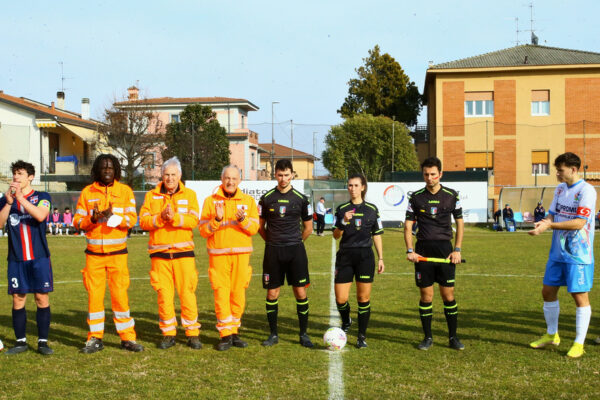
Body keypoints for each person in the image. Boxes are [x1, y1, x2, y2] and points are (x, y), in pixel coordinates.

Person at [528, 152, 596, 358]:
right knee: (548, 292)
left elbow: (579, 223)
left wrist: (550, 224)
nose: (557, 173)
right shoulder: (559, 189)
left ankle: (578, 343)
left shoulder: (587, 190)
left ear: (573, 169)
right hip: (557, 252)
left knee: (579, 296)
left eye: (560, 170)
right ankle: (552, 335)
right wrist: (543, 223)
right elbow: (552, 213)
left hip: (578, 255)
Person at [73, 154, 143, 353]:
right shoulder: (87, 192)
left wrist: (114, 217)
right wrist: (92, 219)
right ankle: (95, 338)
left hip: (118, 255)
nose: (107, 171)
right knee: (94, 298)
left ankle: (128, 338)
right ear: (96, 169)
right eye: (103, 167)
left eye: (110, 168)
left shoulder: (125, 191)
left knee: (120, 297)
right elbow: (77, 222)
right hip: (94, 255)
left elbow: (132, 220)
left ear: (116, 170)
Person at [140, 157, 202, 350]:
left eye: (173, 174)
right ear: (161, 175)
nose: (170, 178)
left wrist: (174, 218)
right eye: (166, 174)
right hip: (160, 256)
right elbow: (142, 221)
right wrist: (160, 218)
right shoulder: (151, 196)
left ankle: (192, 334)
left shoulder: (190, 195)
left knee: (187, 294)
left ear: (180, 175)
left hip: (184, 255)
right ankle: (168, 334)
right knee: (164, 296)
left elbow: (193, 221)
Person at [404, 157, 465, 351]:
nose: (429, 178)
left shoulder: (451, 195)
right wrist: (410, 250)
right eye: (426, 174)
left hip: (445, 251)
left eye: (433, 174)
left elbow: (460, 224)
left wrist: (457, 250)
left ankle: (453, 337)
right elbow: (407, 227)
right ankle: (428, 337)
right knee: (426, 296)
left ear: (440, 174)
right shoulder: (415, 197)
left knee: (448, 295)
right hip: (423, 251)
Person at [199, 165, 259, 351]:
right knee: (221, 294)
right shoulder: (211, 201)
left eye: (234, 179)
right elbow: (202, 231)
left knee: (238, 294)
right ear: (221, 179)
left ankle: (234, 332)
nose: (230, 182)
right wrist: (216, 220)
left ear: (239, 181)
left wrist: (243, 221)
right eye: (227, 178)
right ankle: (225, 334)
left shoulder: (248, 201)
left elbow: (254, 229)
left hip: (241, 256)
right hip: (219, 256)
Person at [259, 159, 314, 348]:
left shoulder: (301, 198)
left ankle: (303, 334)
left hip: (295, 251)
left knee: (300, 291)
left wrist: (295, 242)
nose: (283, 178)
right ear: (275, 175)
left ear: (292, 175)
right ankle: (273, 334)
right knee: (272, 293)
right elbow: (260, 227)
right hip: (273, 251)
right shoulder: (266, 198)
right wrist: (272, 241)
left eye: (286, 175)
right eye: (280, 175)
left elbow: (308, 227)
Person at [0, 160, 53, 355]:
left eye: (20, 173)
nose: (16, 177)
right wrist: (9, 203)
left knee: (41, 297)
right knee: (18, 298)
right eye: (14, 173)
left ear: (30, 177)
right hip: (16, 258)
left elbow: (40, 215)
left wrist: (21, 198)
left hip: (39, 257)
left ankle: (43, 342)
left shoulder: (42, 196)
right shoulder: (6, 199)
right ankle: (20, 341)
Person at [333, 174, 384, 348]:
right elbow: (335, 235)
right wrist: (343, 222)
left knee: (363, 297)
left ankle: (361, 336)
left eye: (356, 185)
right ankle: (346, 320)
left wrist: (381, 258)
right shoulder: (341, 209)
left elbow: (377, 235)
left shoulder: (372, 209)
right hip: (345, 256)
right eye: (349, 185)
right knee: (341, 298)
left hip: (365, 257)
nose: (352, 188)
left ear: (363, 187)